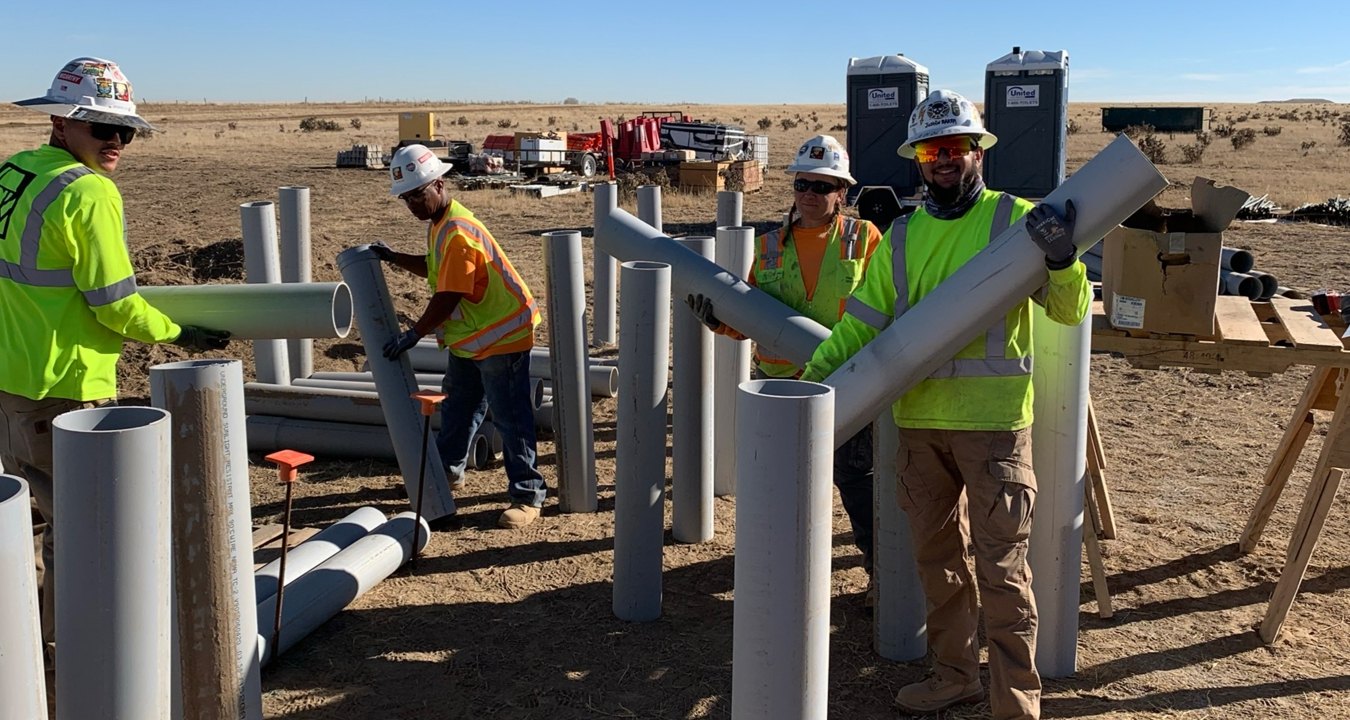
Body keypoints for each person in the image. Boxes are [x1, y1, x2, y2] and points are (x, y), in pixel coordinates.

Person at [800, 90, 1090, 720]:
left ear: (978, 151)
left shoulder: (1016, 223)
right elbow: (860, 327)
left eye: (957, 147)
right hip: (919, 428)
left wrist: (1065, 261)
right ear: (919, 159)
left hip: (992, 429)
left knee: (1004, 571)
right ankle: (954, 675)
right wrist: (813, 382)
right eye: (934, 150)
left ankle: (1015, 701)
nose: (945, 160)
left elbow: (1068, 312)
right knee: (938, 564)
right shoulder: (901, 238)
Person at [0, 57, 230, 659]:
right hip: (64, 387)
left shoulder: (16, 172)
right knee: (83, 536)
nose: (117, 142)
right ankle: (69, 662)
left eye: (124, 130)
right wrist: (178, 331)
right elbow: (116, 305)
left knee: (20, 525)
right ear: (61, 121)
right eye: (103, 128)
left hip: (9, 382)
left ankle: (21, 653)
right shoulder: (89, 193)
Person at [686, 134, 883, 597]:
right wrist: (719, 320)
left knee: (856, 481)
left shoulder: (865, 238)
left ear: (842, 193)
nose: (809, 195)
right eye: (802, 184)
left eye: (821, 185)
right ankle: (779, 565)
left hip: (846, 382)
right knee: (778, 481)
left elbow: (886, 307)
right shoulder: (770, 246)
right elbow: (754, 317)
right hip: (779, 385)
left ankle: (879, 572)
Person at [372, 143, 547, 529]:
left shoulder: (458, 233)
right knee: (459, 408)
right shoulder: (440, 224)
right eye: (406, 199)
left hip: (502, 336)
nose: (413, 205)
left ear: (438, 183)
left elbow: (449, 294)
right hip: (473, 338)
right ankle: (447, 473)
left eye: (417, 195)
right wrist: (393, 257)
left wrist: (414, 333)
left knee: (510, 416)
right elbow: (436, 270)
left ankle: (528, 494)